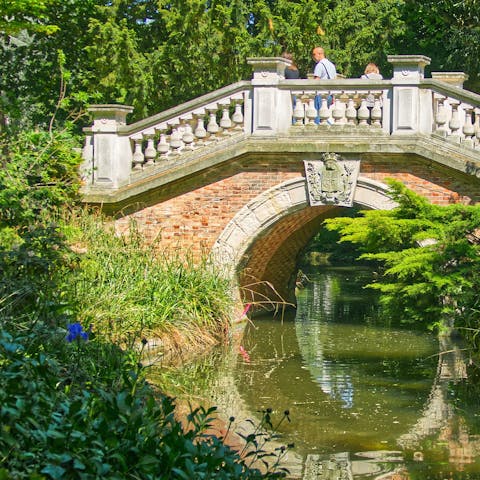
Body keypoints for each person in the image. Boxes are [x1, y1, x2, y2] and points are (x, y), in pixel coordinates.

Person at [311, 47, 337, 124]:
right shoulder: (332, 65)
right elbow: (334, 81)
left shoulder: (320, 65)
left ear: (319, 54)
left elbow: (316, 82)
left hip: (320, 94)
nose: (313, 57)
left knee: (318, 117)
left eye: (314, 54)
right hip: (329, 94)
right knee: (324, 116)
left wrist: (311, 94)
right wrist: (333, 96)